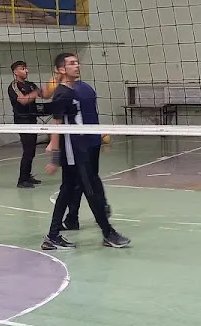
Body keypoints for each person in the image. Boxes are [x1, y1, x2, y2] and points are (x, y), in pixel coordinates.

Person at [42, 53, 130, 250]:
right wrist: (55, 157)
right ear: (62, 69)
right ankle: (108, 233)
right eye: (72, 63)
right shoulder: (62, 93)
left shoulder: (77, 90)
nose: (77, 66)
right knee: (90, 191)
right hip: (74, 150)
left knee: (67, 190)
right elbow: (57, 125)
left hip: (83, 147)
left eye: (77, 62)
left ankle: (52, 236)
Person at [8, 60, 41, 188]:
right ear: (15, 72)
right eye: (22, 68)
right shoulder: (14, 86)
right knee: (27, 150)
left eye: (26, 68)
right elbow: (22, 100)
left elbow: (43, 94)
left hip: (32, 120)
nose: (26, 70)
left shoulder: (31, 85)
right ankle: (22, 180)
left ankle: (27, 176)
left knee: (31, 150)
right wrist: (37, 92)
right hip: (22, 121)